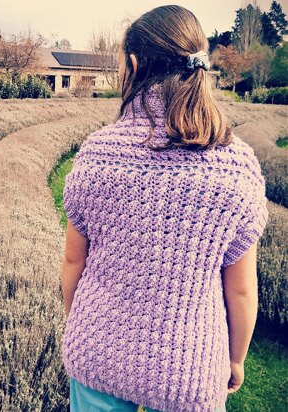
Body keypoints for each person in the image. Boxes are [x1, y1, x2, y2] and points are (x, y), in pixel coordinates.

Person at [60, 5, 269, 412]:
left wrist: (79, 325)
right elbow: (241, 290)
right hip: (190, 371)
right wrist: (237, 359)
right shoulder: (235, 167)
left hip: (97, 356)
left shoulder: (96, 155)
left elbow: (73, 263)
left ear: (133, 65)